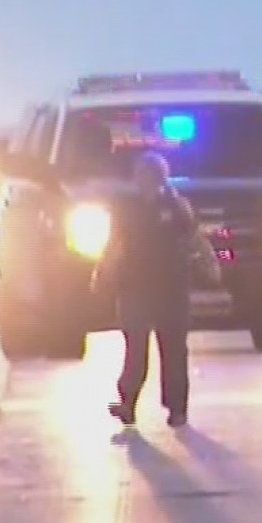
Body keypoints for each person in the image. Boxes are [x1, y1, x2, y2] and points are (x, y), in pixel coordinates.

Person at [96, 151, 206, 428]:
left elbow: (195, 238)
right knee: (135, 349)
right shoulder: (126, 208)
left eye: (152, 175)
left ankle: (177, 408)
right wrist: (103, 272)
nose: (146, 180)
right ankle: (128, 404)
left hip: (171, 286)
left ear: (162, 177)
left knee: (174, 351)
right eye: (142, 175)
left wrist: (209, 264)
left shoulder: (177, 206)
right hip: (135, 286)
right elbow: (114, 243)